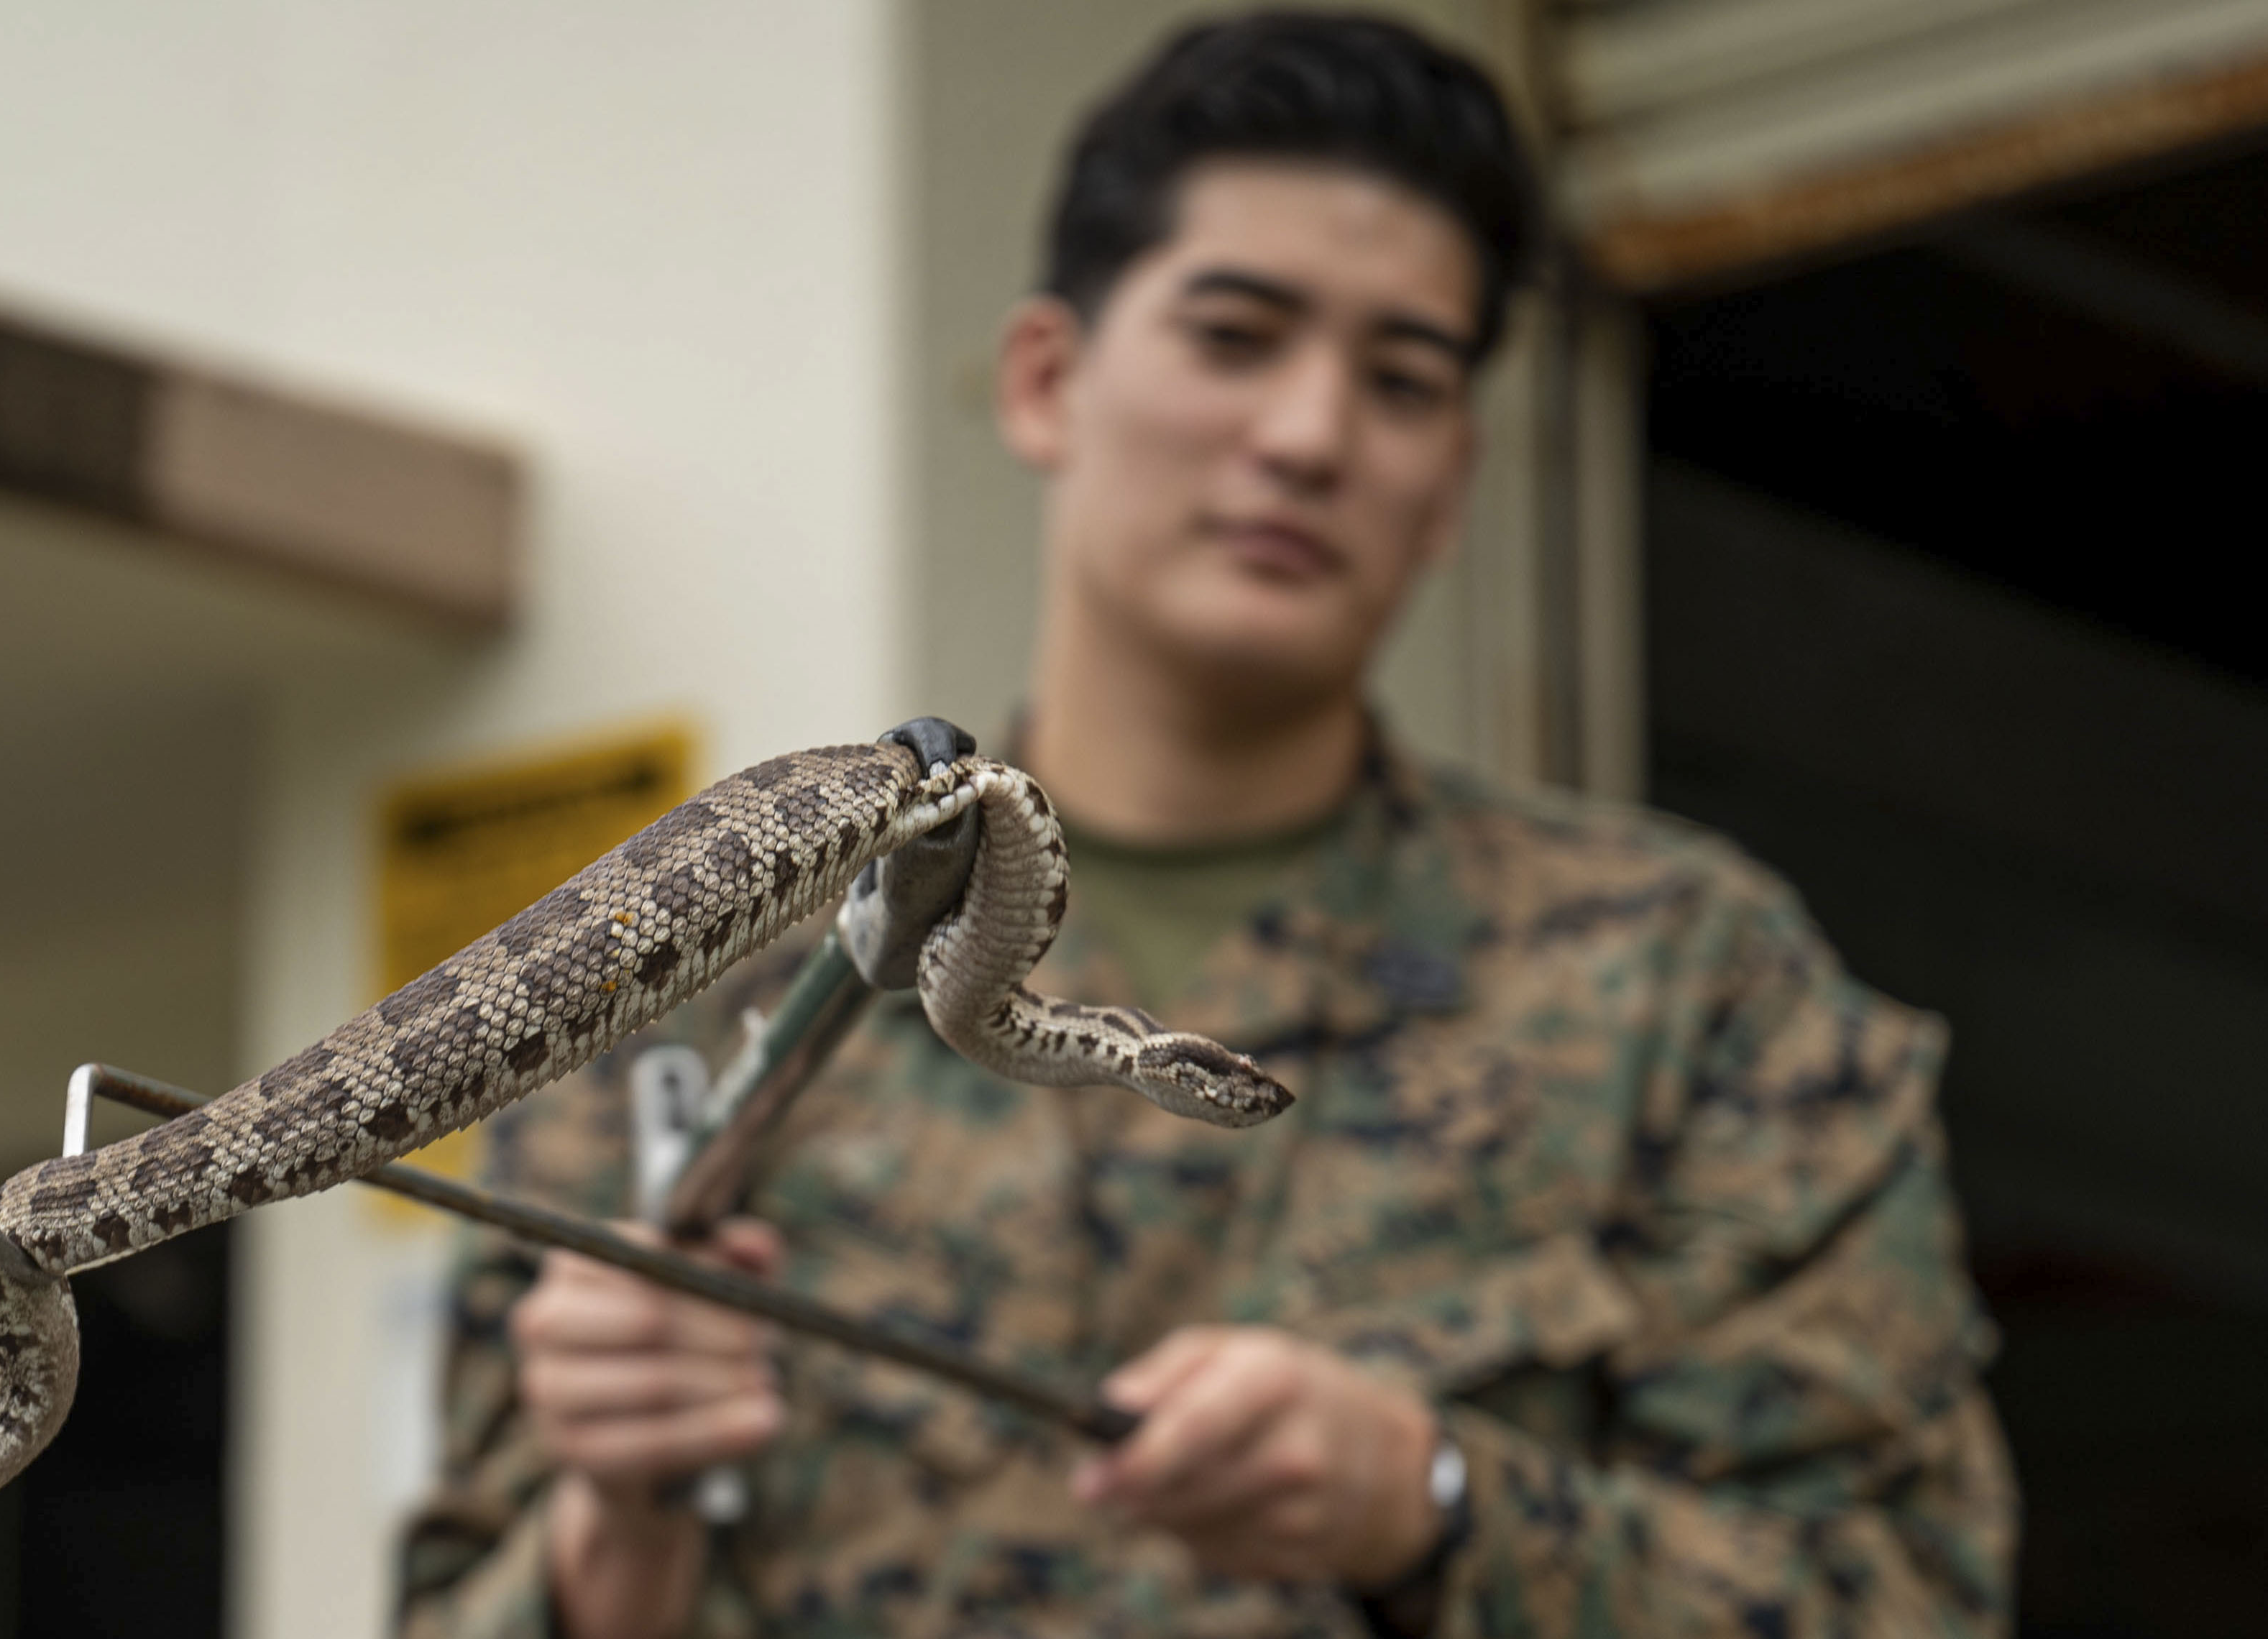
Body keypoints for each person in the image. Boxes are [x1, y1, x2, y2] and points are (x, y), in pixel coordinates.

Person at [398, 12, 2017, 1637]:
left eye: (1398, 379)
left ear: (1452, 478)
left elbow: (1902, 1600)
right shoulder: (692, 986)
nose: (1307, 437)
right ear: (1047, 381)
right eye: (1236, 336)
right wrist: (619, 1524)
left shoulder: (1683, 992)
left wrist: (1433, 1506)